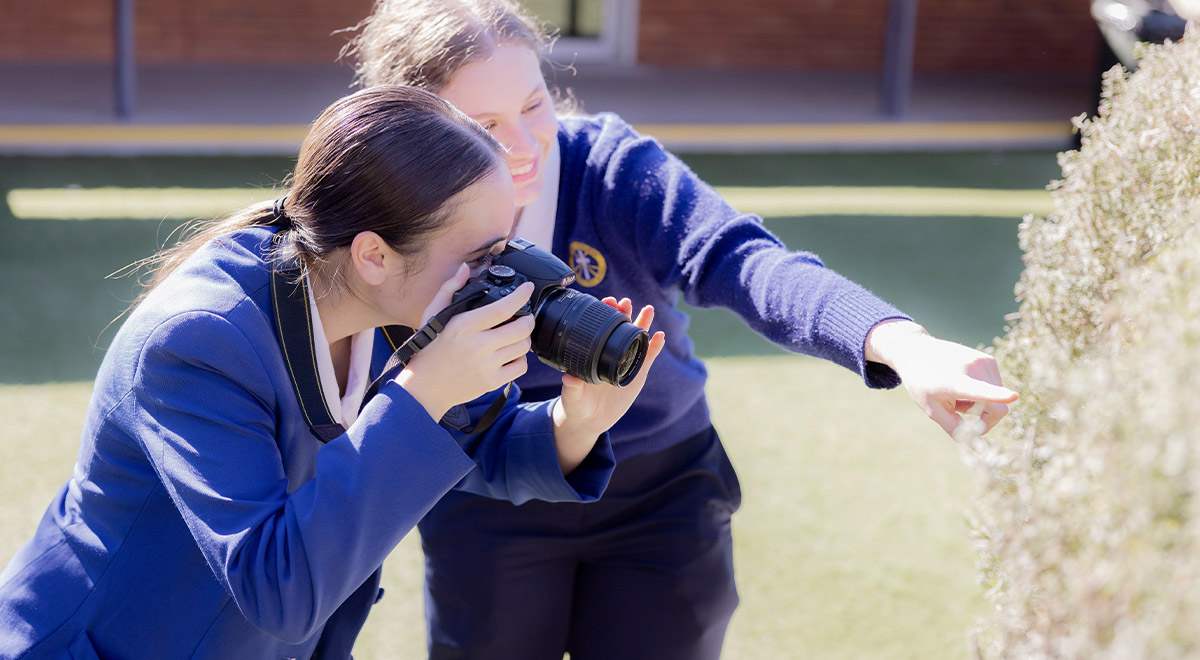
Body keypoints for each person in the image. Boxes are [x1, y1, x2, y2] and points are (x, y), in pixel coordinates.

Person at [347, 3, 1019, 658]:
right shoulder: (387, 240)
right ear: (415, 134)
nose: (524, 145)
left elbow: (743, 260)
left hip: (660, 489)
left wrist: (902, 345)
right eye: (485, 124)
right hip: (486, 501)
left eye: (533, 104)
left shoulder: (608, 168)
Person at [0, 85, 665, 660]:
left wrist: (573, 423)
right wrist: (422, 390)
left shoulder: (383, 294)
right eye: (484, 257)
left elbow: (469, 439)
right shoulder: (196, 343)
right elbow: (277, 586)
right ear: (375, 254)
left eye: (508, 247)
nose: (503, 280)